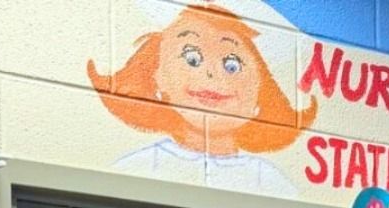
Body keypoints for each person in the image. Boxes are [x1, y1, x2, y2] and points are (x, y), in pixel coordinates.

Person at [88, 3, 316, 196]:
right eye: (192, 58)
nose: (211, 74)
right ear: (157, 75)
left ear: (261, 87)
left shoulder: (269, 181)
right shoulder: (140, 167)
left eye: (232, 64)